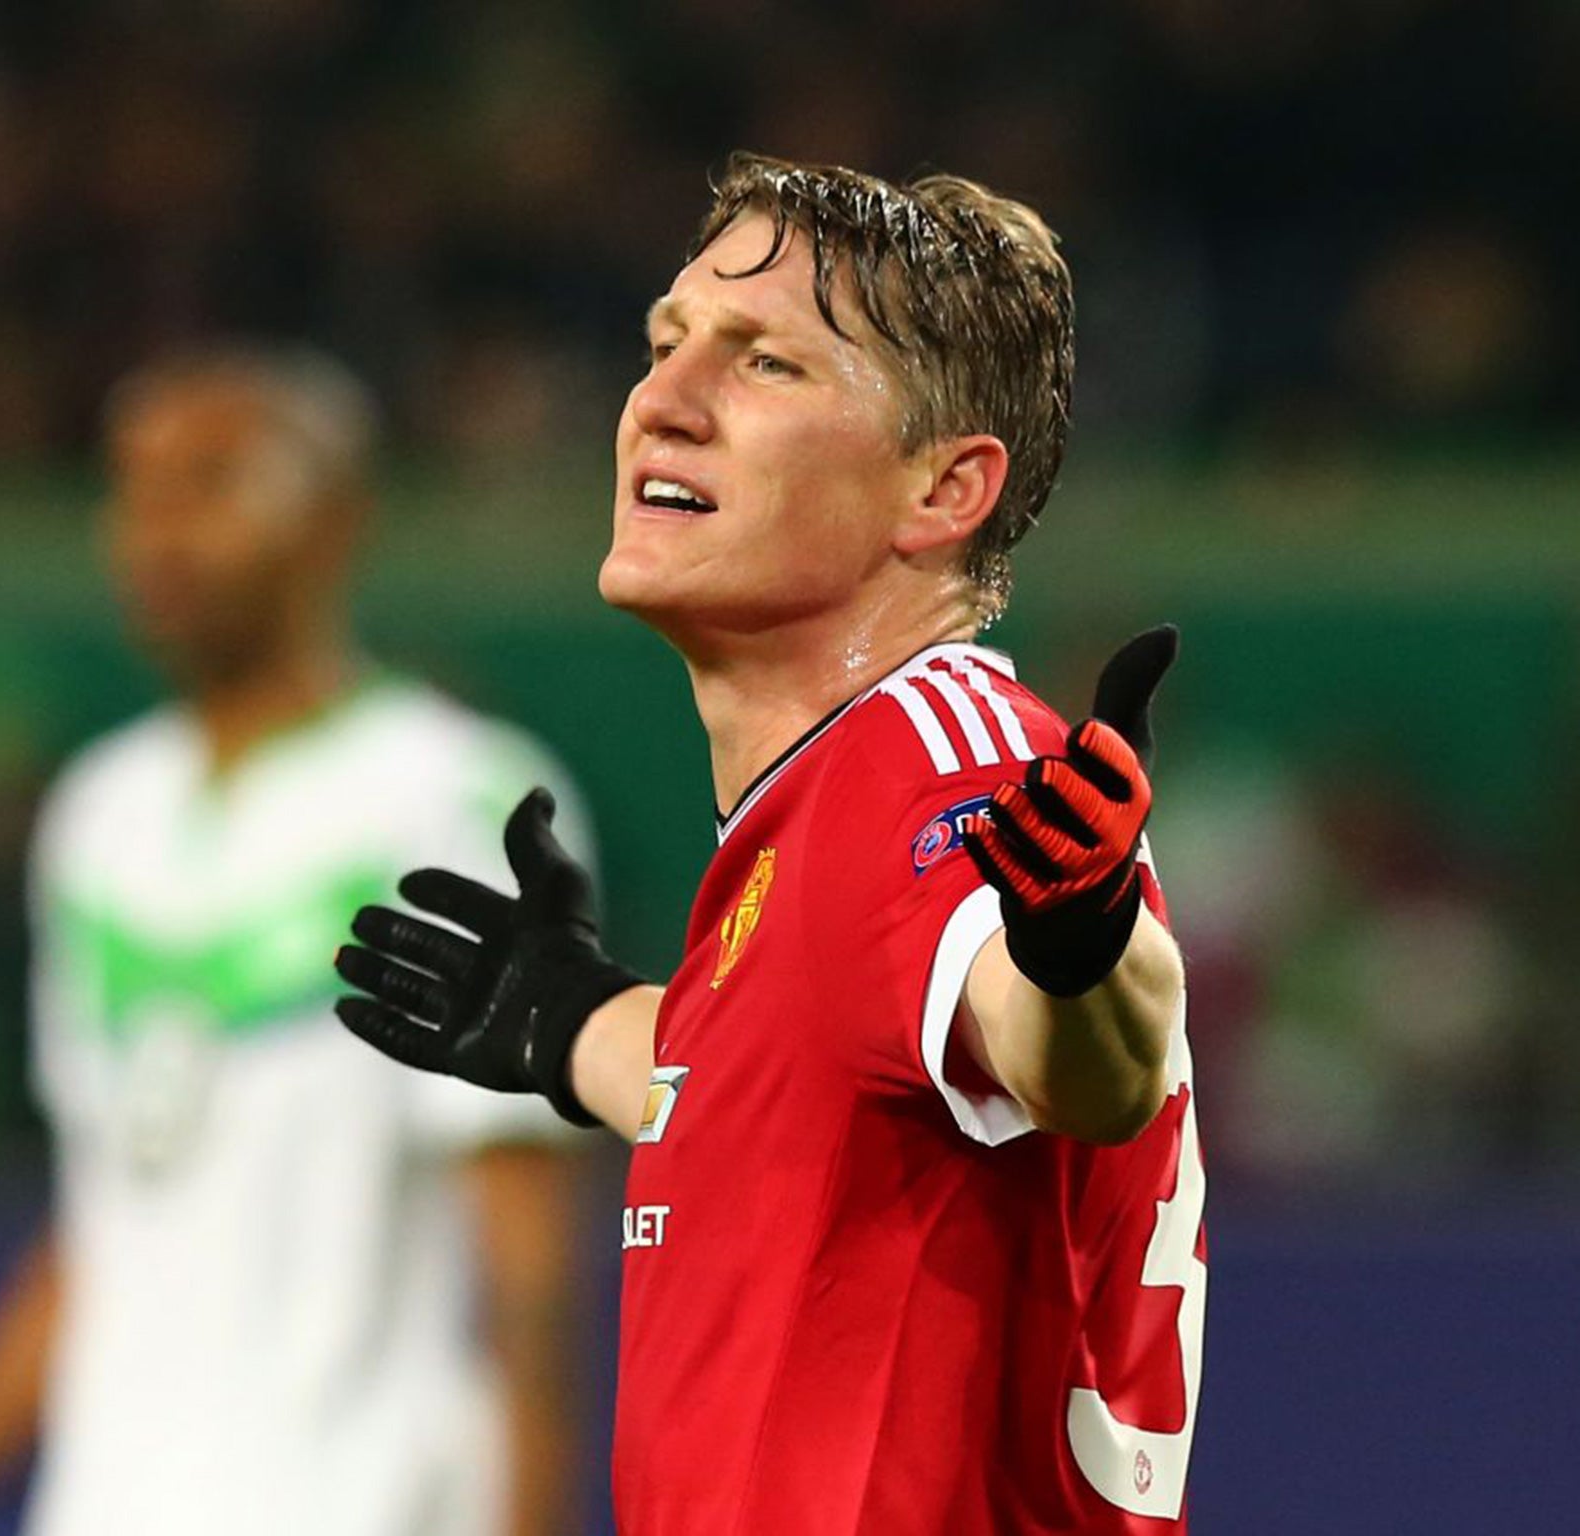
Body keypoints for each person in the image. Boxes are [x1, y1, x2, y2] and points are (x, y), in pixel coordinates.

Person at [334, 153, 1205, 1533]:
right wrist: (579, 1026)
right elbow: (779, 1084)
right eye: (666, 344)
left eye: (765, 366)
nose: (659, 404)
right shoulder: (828, 806)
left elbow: (1078, 1057)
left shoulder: (943, 767)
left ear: (942, 491)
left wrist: (1085, 950)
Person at [0, 348, 589, 1536]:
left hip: (365, 1501)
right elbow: (106, 1218)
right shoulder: (100, 814)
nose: (157, 531)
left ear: (339, 521)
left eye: (211, 483)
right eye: (134, 488)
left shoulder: (456, 798)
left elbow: (527, 1258)